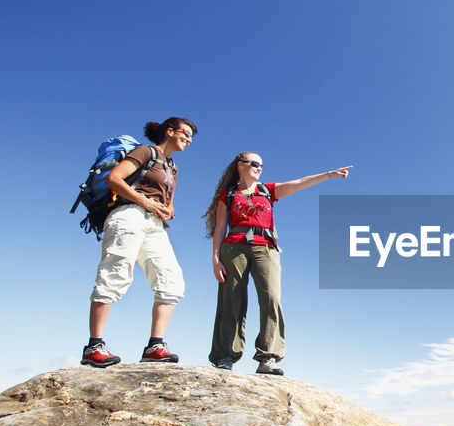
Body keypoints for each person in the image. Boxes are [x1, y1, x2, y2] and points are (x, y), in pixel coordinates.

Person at [204, 152, 352, 374]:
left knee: (271, 297)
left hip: (266, 248)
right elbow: (219, 228)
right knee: (231, 300)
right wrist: (216, 259)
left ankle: (268, 357)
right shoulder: (228, 194)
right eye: (254, 163)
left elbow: (300, 183)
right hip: (234, 248)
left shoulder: (267, 190)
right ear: (240, 165)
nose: (259, 167)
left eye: (261, 165)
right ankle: (225, 356)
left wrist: (329, 174)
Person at [81, 117, 197, 368]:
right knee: (115, 272)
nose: (189, 139)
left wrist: (168, 209)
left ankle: (155, 346)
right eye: (185, 133)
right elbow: (115, 179)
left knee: (171, 281)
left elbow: (169, 200)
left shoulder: (172, 167)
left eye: (191, 137)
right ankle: (94, 345)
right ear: (170, 131)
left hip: (155, 225)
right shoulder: (145, 152)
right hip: (128, 214)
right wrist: (146, 202)